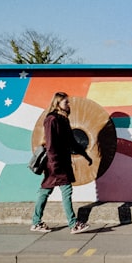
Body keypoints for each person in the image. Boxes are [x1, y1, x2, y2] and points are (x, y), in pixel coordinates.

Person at [31, 91, 93, 233]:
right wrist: (54, 164)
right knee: (66, 190)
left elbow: (72, 141)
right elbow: (51, 144)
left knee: (45, 190)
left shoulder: (63, 119)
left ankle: (36, 222)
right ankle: (73, 224)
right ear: (57, 103)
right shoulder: (52, 119)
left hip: (60, 162)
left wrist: (86, 155)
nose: (69, 104)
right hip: (55, 163)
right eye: (66, 102)